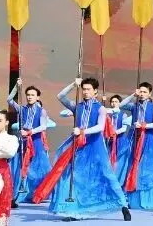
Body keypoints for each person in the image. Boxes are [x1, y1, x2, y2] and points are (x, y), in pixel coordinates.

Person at [32, 77, 130, 221]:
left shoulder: (101, 108)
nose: (85, 92)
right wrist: (73, 84)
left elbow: (100, 127)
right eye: (83, 89)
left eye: (88, 89)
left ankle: (123, 205)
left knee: (106, 175)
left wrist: (82, 131)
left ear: (95, 91)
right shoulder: (77, 106)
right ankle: (75, 211)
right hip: (78, 146)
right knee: (75, 176)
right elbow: (60, 96)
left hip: (95, 146)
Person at [113, 82, 153, 211]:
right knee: (135, 167)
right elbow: (120, 105)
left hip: (149, 139)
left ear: (150, 94)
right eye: (141, 92)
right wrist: (133, 94)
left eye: (145, 92)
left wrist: (144, 125)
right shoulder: (134, 106)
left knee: (149, 168)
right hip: (136, 140)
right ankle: (136, 198)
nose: (142, 94)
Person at [7, 81, 51, 205]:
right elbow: (9, 100)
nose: (30, 97)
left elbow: (43, 126)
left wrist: (30, 132)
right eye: (28, 95)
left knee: (36, 169)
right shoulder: (22, 109)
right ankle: (22, 193)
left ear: (38, 97)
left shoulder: (41, 111)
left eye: (32, 95)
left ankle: (36, 193)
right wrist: (16, 87)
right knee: (22, 167)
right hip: (23, 142)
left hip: (36, 142)